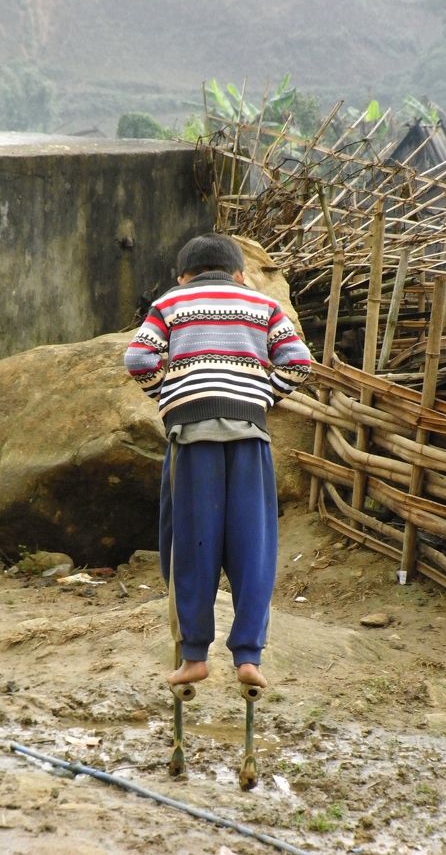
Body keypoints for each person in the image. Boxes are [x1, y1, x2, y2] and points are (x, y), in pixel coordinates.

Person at [124, 233, 311, 688]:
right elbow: (298, 362)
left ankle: (194, 657)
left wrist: (170, 396)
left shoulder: (172, 302)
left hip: (191, 440)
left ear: (183, 275)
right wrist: (259, 396)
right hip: (250, 439)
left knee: (190, 545)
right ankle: (249, 657)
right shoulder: (261, 304)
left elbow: (138, 357)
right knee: (254, 546)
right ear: (239, 273)